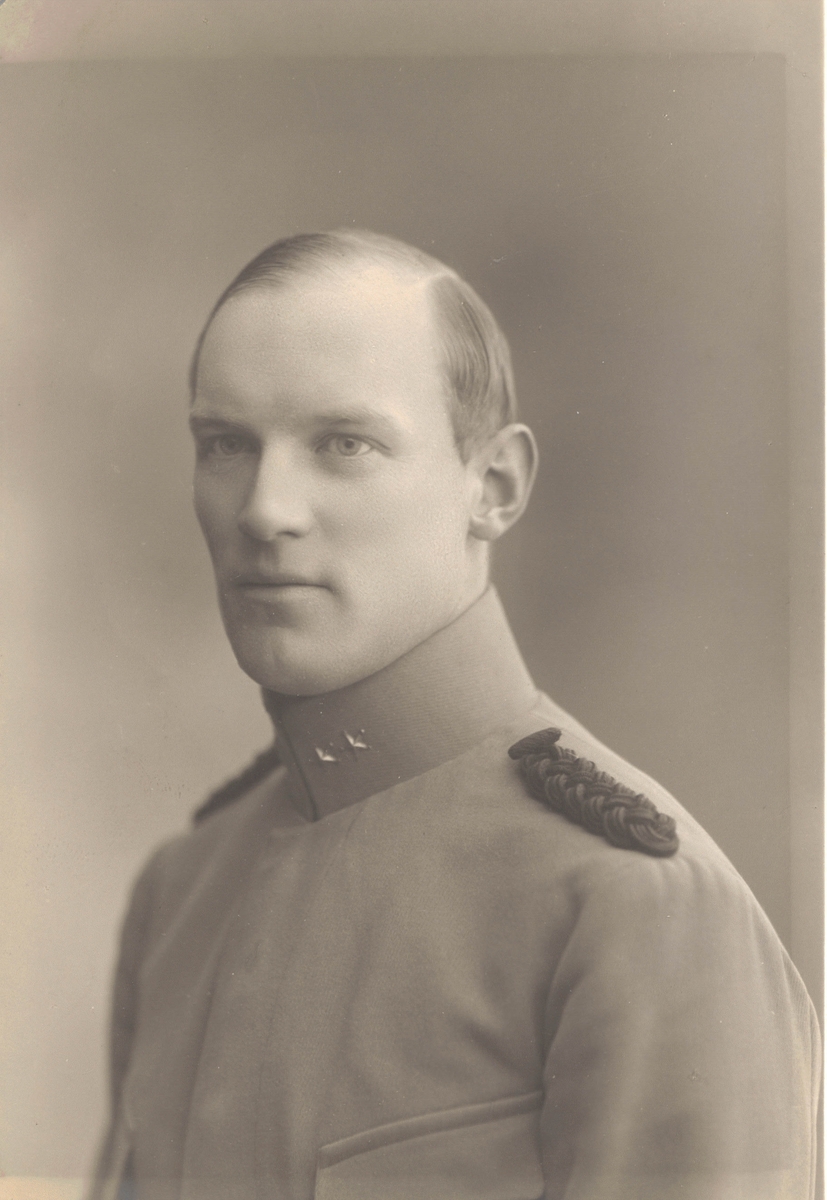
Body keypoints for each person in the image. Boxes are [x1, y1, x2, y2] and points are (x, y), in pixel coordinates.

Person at [90, 229, 819, 1200]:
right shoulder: (181, 891)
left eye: (344, 444)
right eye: (226, 444)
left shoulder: (633, 909)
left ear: (493, 487)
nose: (264, 510)